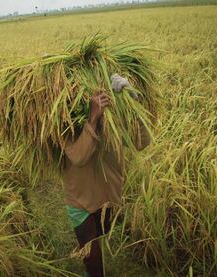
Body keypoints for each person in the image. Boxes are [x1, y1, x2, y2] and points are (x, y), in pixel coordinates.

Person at [63, 74, 151, 277]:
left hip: (108, 196)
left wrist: (133, 105)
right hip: (79, 200)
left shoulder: (115, 117)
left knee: (100, 237)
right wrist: (92, 120)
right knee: (94, 265)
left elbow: (141, 143)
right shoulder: (66, 117)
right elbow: (78, 157)